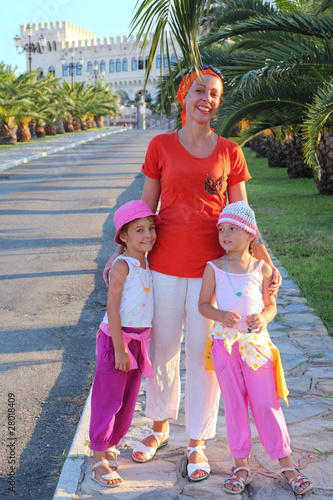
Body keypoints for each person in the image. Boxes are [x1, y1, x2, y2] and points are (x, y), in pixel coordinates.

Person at [103, 64, 282, 482]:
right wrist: (122, 254)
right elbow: (143, 211)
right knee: (163, 352)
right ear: (185, 96)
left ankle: (198, 440)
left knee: (205, 360)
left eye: (215, 93)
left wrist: (264, 259)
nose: (208, 99)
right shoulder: (160, 146)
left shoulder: (230, 152)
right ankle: (161, 427)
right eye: (200, 90)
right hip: (163, 267)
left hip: (213, 274)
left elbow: (243, 215)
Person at [198, 201, 313, 495]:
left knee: (265, 403)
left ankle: (285, 463)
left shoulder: (262, 269)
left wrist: (263, 316)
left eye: (232, 229)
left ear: (250, 234)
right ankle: (241, 465)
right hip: (226, 347)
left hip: (256, 347)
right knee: (234, 404)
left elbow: (271, 305)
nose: (224, 234)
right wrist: (220, 315)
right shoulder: (213, 268)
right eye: (221, 229)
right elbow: (203, 306)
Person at [89, 200, 160, 488]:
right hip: (116, 341)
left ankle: (111, 445)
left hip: (138, 342)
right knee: (109, 398)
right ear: (124, 237)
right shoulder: (123, 265)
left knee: (128, 399)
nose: (148, 235)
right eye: (139, 230)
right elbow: (113, 308)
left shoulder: (147, 261)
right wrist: (119, 348)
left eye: (151, 228)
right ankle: (97, 456)